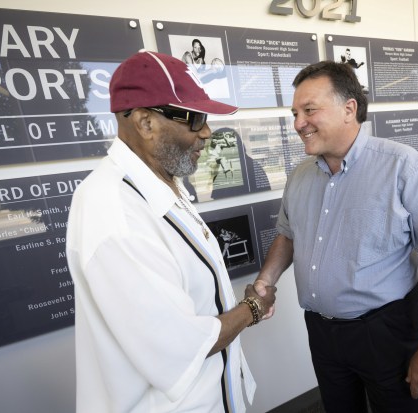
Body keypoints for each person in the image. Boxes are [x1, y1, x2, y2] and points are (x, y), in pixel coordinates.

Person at [254, 61, 418, 413]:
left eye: (309, 110)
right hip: (322, 332)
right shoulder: (300, 176)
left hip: (385, 333)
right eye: (295, 112)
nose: (297, 124)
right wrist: (266, 280)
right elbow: (288, 235)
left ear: (349, 109)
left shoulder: (402, 166)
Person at [66, 50, 276, 413]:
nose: (207, 133)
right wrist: (253, 308)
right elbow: (180, 343)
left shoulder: (160, 183)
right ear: (146, 123)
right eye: (195, 119)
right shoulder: (113, 209)